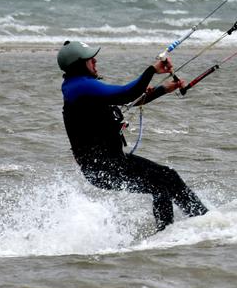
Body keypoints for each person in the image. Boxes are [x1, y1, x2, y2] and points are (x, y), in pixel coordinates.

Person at [58, 40, 208, 231]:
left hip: (109, 163)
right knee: (162, 183)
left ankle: (201, 221)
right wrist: (152, 70)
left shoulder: (79, 87)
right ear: (79, 64)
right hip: (104, 166)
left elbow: (128, 101)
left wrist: (163, 89)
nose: (95, 61)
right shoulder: (80, 87)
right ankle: (176, 232)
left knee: (167, 178)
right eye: (90, 59)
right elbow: (126, 93)